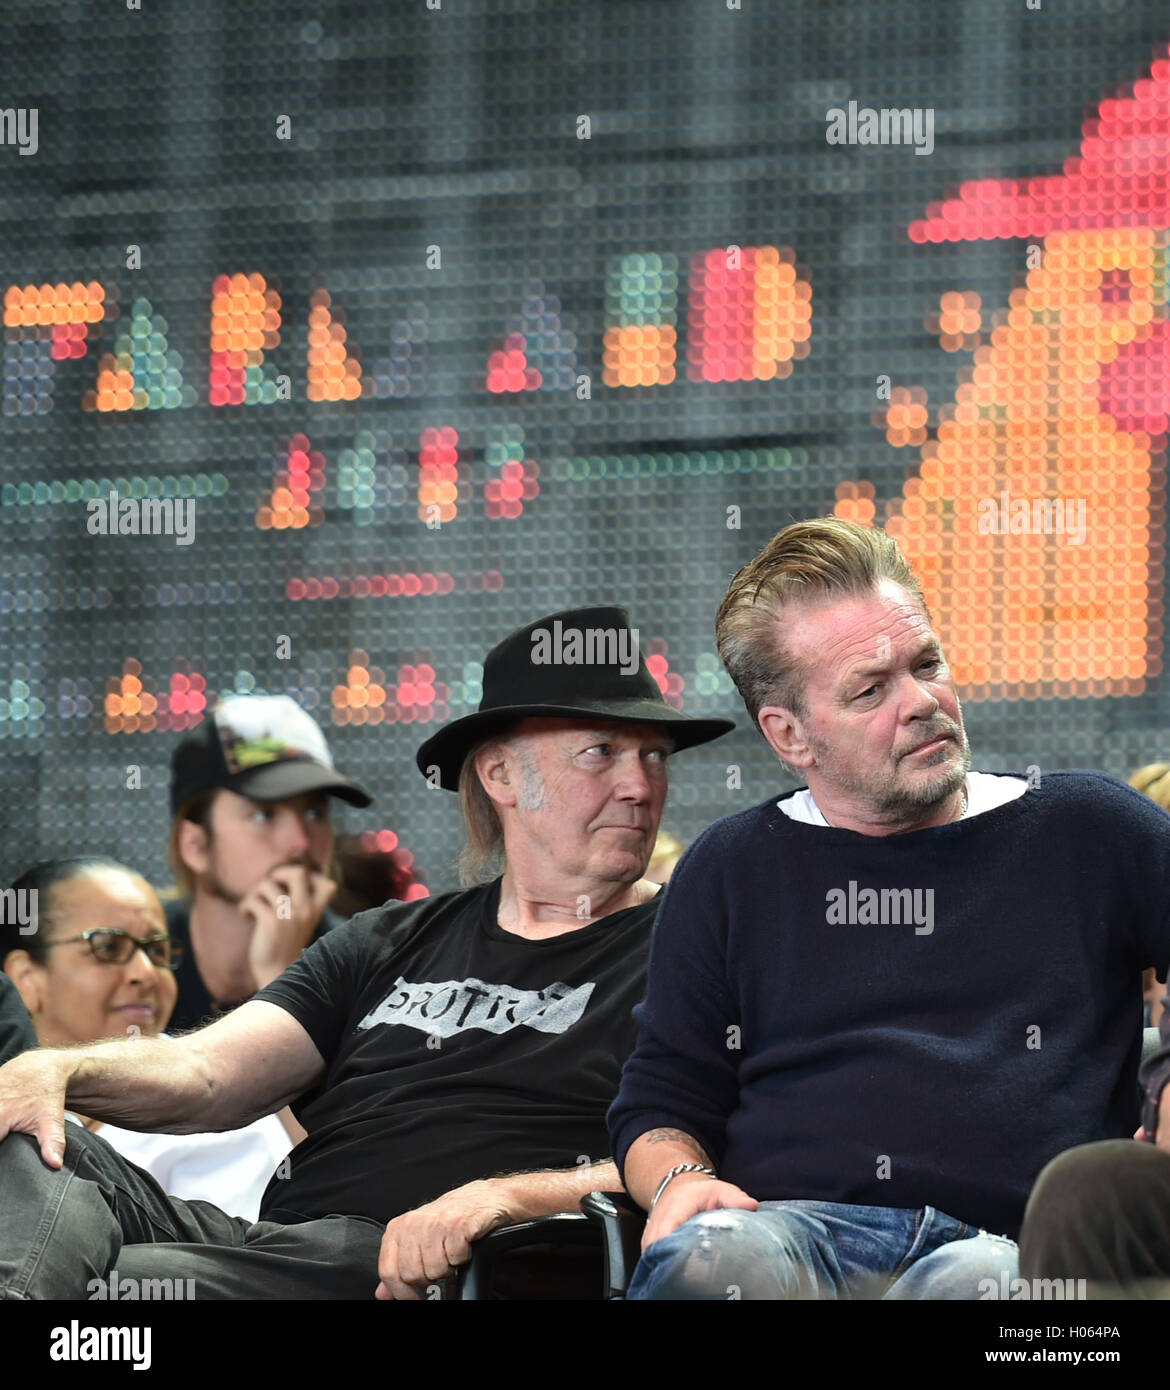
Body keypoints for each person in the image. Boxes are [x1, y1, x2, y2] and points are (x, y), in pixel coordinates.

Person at [0, 604, 732, 1300]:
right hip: (275, 1242)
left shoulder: (693, 945)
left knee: (134, 1280)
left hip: (420, 1264)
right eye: (601, 753)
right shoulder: (390, 937)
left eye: (655, 758)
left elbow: (711, 1158)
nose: (640, 786)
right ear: (501, 775)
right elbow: (208, 1074)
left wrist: (505, 1197)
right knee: (25, 1134)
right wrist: (55, 1068)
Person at [608, 516, 1170, 1300]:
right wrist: (680, 1178)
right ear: (790, 735)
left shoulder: (1089, 825)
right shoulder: (729, 867)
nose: (921, 702)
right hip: (788, 1231)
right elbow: (663, 1096)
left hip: (1011, 1243)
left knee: (978, 1288)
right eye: (871, 689)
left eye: (927, 664)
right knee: (709, 1264)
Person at [1, 857, 293, 1221]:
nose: (145, 973)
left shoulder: (214, 1110)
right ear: (26, 978)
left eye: (157, 951)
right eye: (108, 947)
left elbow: (229, 1269)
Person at [164, 693, 372, 1033]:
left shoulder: (363, 965)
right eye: (263, 814)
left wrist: (284, 980)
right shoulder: (137, 957)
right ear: (196, 845)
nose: (301, 842)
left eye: (313, 812)